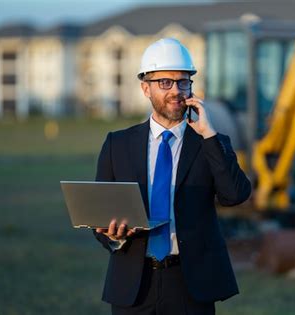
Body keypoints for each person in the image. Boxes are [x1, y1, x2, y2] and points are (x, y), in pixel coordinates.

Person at [93, 38, 251, 315]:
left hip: (191, 286)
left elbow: (235, 195)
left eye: (183, 82)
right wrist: (113, 236)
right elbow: (100, 214)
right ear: (146, 88)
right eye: (165, 82)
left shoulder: (210, 141)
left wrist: (209, 135)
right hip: (133, 286)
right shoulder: (117, 145)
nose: (176, 90)